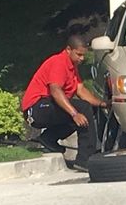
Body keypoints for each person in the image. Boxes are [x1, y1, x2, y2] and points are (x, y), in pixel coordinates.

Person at [21, 35, 107, 172]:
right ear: (68, 49)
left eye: (84, 55)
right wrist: (74, 114)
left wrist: (103, 104)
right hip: (35, 109)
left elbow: (81, 90)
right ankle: (85, 159)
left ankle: (48, 138)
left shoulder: (72, 67)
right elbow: (55, 90)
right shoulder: (58, 62)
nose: (82, 59)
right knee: (82, 109)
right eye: (79, 54)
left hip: (49, 106)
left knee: (90, 108)